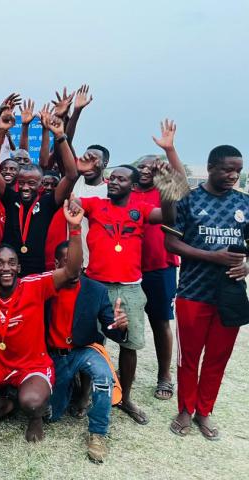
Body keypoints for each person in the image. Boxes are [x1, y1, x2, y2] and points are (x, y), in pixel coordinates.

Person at [0, 198, 84, 442]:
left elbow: (71, 271)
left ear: (18, 268)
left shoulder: (35, 285)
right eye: (0, 263)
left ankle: (35, 418)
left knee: (31, 402)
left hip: (32, 366)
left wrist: (75, 229)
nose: (6, 268)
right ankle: (0, 404)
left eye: (11, 263)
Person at [165, 145, 249, 440]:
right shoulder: (188, 200)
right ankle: (185, 409)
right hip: (193, 292)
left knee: (218, 358)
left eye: (237, 170)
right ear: (211, 167)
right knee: (189, 357)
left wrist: (247, 266)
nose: (233, 175)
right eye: (227, 169)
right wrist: (213, 257)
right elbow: (172, 244)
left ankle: (204, 411)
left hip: (230, 295)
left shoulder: (244, 203)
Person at [77, 165, 169, 425]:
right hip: (96, 286)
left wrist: (168, 183)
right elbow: (68, 198)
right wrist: (74, 169)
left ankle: (125, 397)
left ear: (134, 184)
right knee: (92, 343)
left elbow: (169, 215)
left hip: (129, 287)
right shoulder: (95, 204)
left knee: (129, 345)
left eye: (121, 179)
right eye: (112, 177)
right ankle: (84, 394)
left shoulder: (141, 209)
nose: (114, 182)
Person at [47, 241, 128, 463]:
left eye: (78, 263)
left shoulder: (96, 290)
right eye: (67, 262)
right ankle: (71, 387)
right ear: (56, 263)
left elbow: (110, 326)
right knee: (52, 416)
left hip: (84, 350)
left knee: (104, 377)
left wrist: (119, 326)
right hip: (53, 355)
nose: (74, 267)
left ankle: (98, 433)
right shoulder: (45, 286)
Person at [0, 107, 78, 276]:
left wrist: (60, 136)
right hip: (8, 270)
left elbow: (71, 175)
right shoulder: (10, 197)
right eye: (22, 182)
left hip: (36, 273)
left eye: (31, 183)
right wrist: (1, 130)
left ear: (41, 183)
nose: (26, 187)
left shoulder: (48, 202)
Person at [130, 119, 186, 401]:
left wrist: (170, 151)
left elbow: (181, 187)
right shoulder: (124, 191)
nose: (145, 171)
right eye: (141, 166)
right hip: (127, 270)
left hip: (160, 268)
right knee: (122, 323)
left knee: (160, 322)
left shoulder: (164, 193)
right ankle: (120, 376)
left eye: (152, 168)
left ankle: (165, 375)